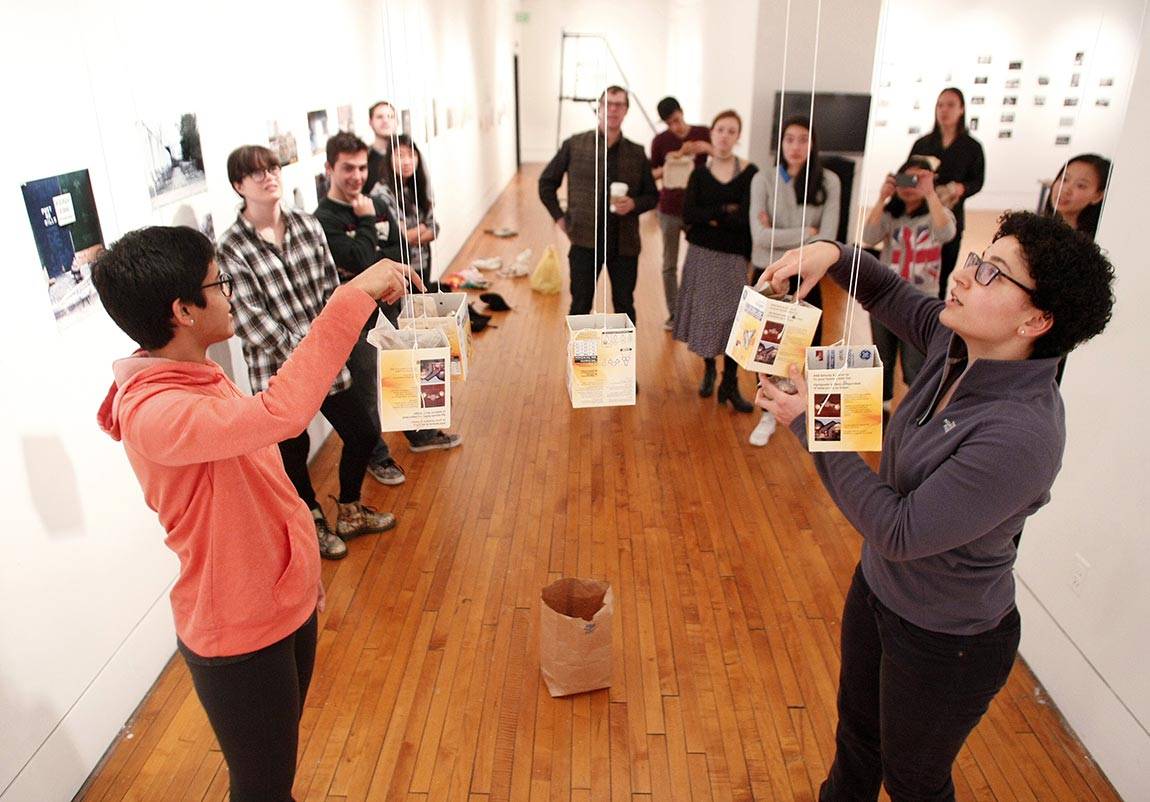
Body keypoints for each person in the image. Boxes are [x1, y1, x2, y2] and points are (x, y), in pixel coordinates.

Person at [754, 212, 1115, 801]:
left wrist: (811, 424)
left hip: (947, 641)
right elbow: (886, 290)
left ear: (1037, 319)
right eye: (976, 259)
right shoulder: (958, 342)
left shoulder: (1022, 433)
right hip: (877, 591)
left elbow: (899, 529)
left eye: (993, 273)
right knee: (856, 742)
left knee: (914, 780)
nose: (965, 277)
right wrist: (830, 253)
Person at [93, 224, 413, 802]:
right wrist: (351, 297)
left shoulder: (199, 378)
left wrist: (301, 575)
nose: (231, 293)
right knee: (263, 788)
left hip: (280, 605)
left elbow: (266, 483)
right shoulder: (157, 413)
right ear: (183, 310)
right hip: (237, 632)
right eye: (220, 283)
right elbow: (284, 415)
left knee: (276, 769)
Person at [217, 144, 396, 560]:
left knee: (362, 433)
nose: (268, 177)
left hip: (327, 362)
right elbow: (251, 321)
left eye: (273, 168)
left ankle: (349, 508)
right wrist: (314, 349)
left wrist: (328, 344)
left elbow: (329, 293)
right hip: (278, 373)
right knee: (292, 456)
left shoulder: (306, 226)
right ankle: (312, 520)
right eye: (256, 173)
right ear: (238, 185)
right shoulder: (230, 247)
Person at [315, 133, 462, 477]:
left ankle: (419, 432)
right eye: (347, 168)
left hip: (390, 307)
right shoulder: (324, 218)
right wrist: (368, 226)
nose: (357, 176)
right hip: (358, 320)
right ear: (329, 169)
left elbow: (397, 250)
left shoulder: (378, 206)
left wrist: (389, 274)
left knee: (407, 372)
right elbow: (359, 256)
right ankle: (377, 456)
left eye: (362, 167)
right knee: (368, 388)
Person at [747, 115, 841, 445]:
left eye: (803, 139)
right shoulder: (764, 179)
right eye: (790, 139)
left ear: (813, 144)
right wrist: (805, 233)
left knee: (807, 347)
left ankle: (805, 416)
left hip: (808, 279)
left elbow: (828, 240)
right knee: (766, 352)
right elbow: (759, 237)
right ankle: (768, 414)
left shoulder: (829, 181)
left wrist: (780, 232)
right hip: (771, 276)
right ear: (781, 143)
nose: (796, 146)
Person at [539, 85, 658, 324]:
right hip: (584, 240)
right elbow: (546, 183)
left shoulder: (636, 152)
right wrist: (560, 219)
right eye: (608, 104)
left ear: (626, 111)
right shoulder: (575, 144)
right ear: (599, 108)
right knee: (580, 304)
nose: (613, 109)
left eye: (619, 105)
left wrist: (634, 203)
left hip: (624, 244)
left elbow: (652, 196)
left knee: (624, 304)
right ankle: (577, 360)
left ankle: (625, 359)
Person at [673, 110, 758, 413]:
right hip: (703, 256)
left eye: (731, 131)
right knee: (707, 318)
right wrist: (725, 210)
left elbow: (746, 220)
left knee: (735, 320)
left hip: (735, 258)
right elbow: (689, 215)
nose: (724, 135)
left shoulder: (750, 174)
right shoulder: (698, 174)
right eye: (720, 129)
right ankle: (709, 368)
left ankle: (730, 383)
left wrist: (710, 215)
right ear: (711, 133)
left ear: (738, 136)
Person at [862, 155, 957, 417]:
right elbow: (868, 237)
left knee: (916, 363)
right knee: (882, 357)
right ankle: (882, 409)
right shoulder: (891, 216)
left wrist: (931, 195)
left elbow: (945, 233)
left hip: (921, 301)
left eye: (917, 179)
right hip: (884, 297)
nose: (908, 185)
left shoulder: (939, 214)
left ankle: (917, 415)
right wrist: (882, 198)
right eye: (904, 178)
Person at [909, 87, 985, 299]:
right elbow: (906, 175)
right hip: (921, 218)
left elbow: (978, 181)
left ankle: (934, 317)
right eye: (940, 105)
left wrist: (962, 188)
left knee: (942, 272)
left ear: (961, 110)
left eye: (950, 105)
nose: (944, 110)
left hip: (950, 216)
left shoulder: (972, 147)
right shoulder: (923, 143)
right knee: (914, 270)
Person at [650, 96, 712, 330]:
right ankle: (675, 314)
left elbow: (723, 160)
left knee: (701, 261)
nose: (675, 126)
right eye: (669, 123)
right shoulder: (660, 141)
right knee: (669, 263)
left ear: (682, 112)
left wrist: (707, 148)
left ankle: (697, 311)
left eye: (676, 120)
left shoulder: (703, 133)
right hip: (669, 209)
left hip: (697, 209)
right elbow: (651, 174)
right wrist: (673, 159)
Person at [374, 134, 440, 289]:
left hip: (423, 261)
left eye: (411, 155)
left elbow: (435, 228)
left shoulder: (417, 188)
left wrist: (414, 231)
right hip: (399, 269)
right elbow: (399, 238)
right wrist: (423, 227)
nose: (407, 161)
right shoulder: (381, 194)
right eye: (400, 155)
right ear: (389, 159)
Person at [1043, 153, 1111, 240]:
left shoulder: (1092, 242)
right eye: (1064, 179)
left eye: (1081, 185)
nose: (1065, 190)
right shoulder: (1039, 229)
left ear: (1098, 196)